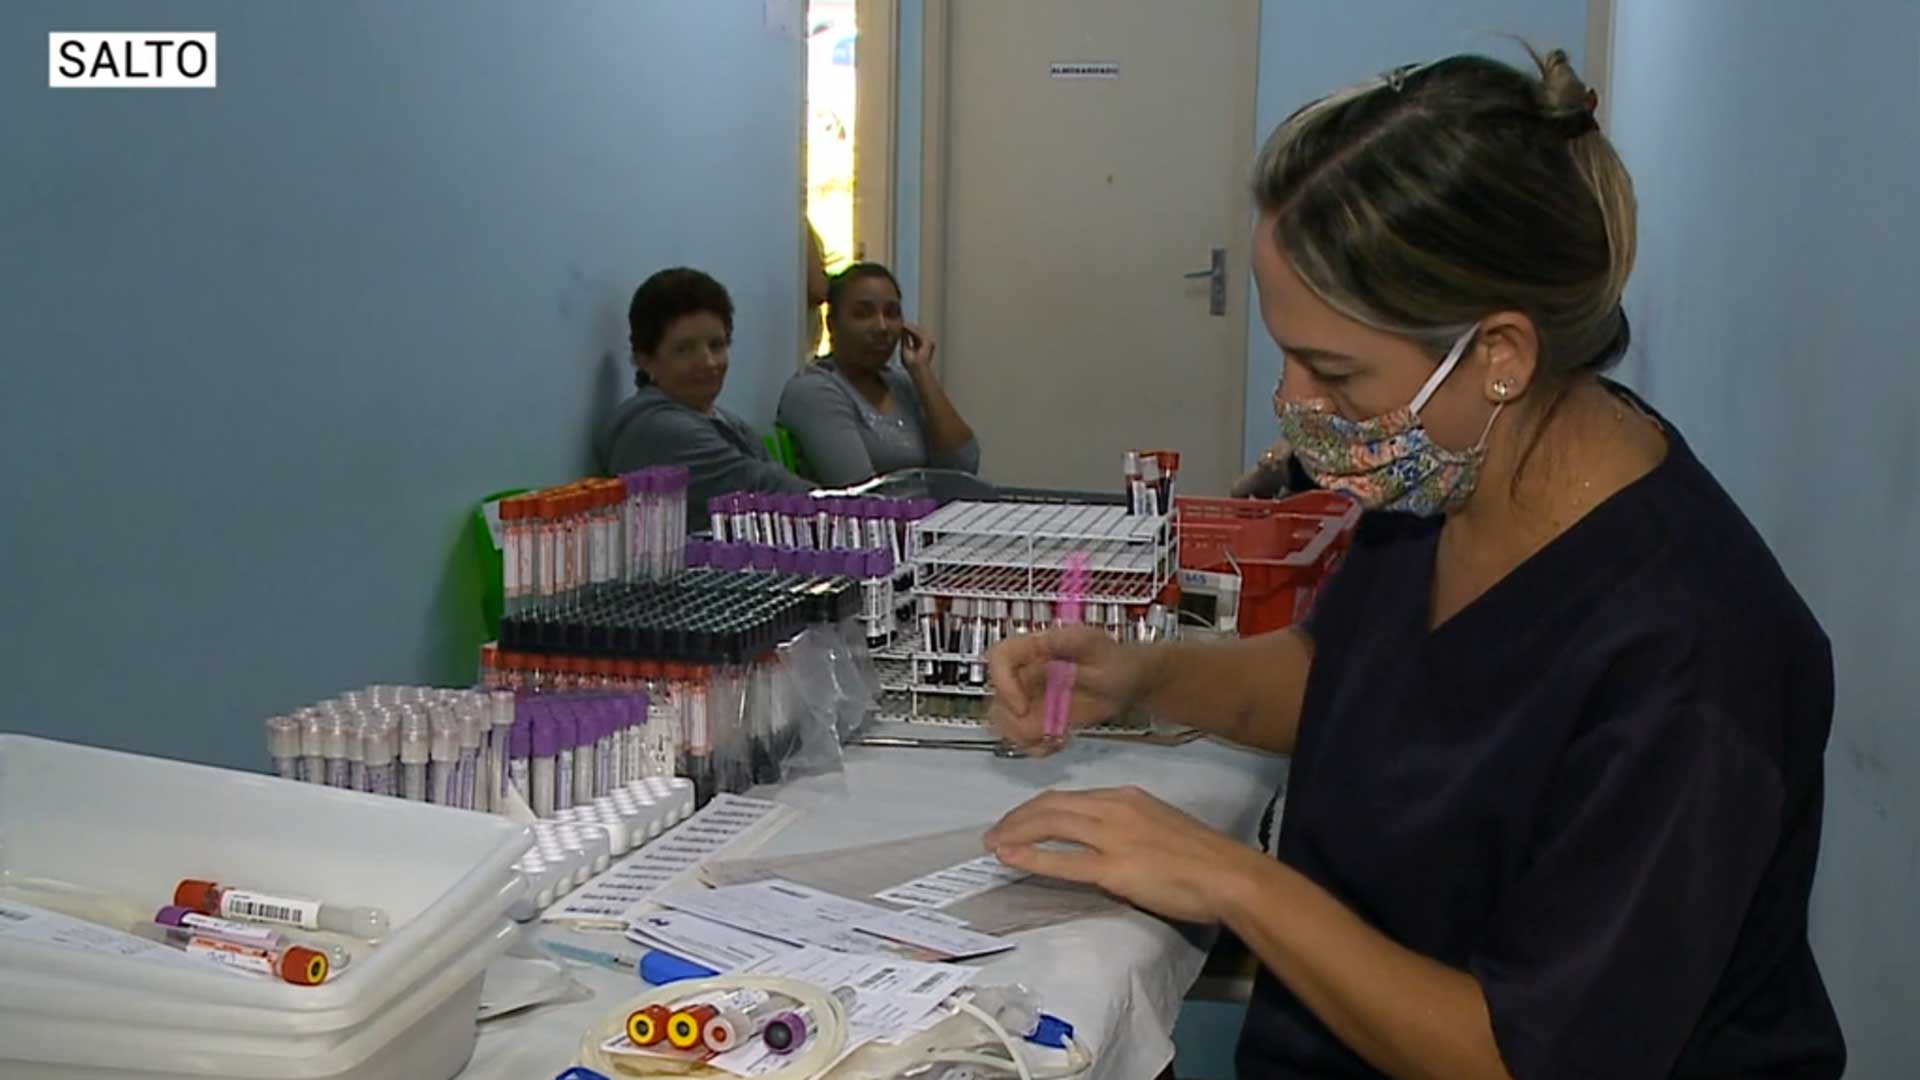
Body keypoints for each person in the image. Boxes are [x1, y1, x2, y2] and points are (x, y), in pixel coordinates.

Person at [983, 48, 1845, 1080]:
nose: (1293, 406)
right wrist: (1149, 676)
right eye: (1287, 357)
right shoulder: (1446, 473)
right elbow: (1347, 680)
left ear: (1500, 355)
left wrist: (1232, 880)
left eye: (1335, 370)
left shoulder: (1695, 656)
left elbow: (1522, 1057)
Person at [595, 267, 811, 510]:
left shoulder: (726, 421)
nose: (708, 362)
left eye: (716, 345)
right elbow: (762, 487)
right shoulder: (656, 431)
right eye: (684, 349)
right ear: (646, 360)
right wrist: (850, 506)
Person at [776, 263, 981, 486]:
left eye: (892, 313)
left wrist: (922, 372)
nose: (882, 327)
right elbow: (861, 492)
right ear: (832, 324)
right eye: (863, 314)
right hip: (864, 519)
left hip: (925, 515)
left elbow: (964, 466)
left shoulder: (901, 382)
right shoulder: (814, 390)